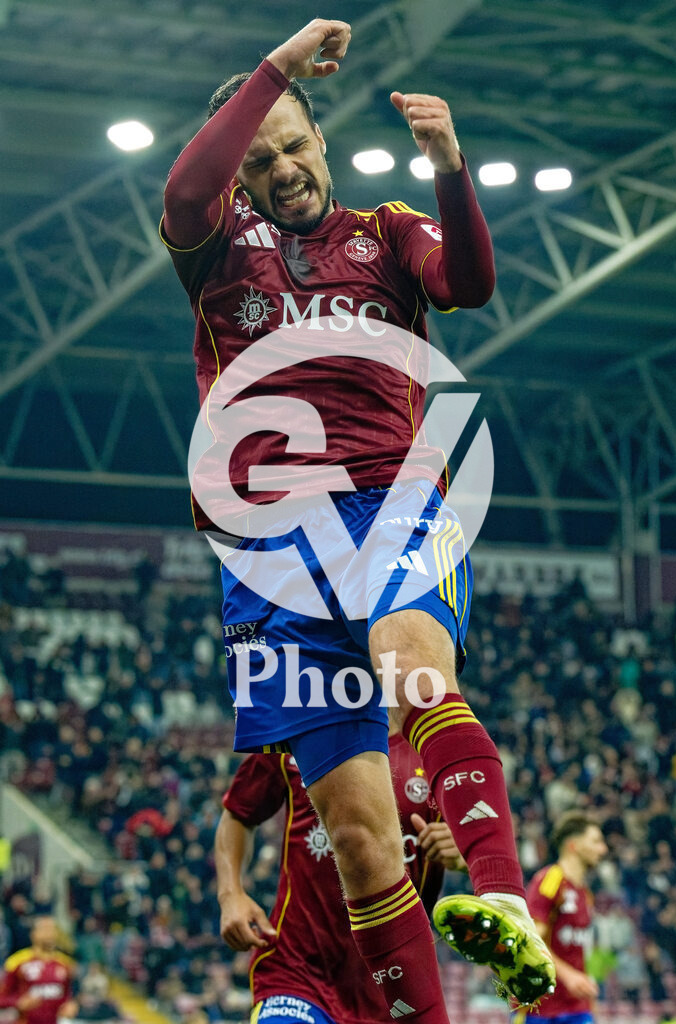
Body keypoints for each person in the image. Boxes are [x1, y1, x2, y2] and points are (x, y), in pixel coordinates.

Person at [162, 16, 554, 1018]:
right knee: (360, 840)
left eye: (294, 145)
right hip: (268, 551)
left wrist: (450, 170)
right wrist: (277, 68)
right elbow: (185, 194)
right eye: (260, 161)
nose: (283, 169)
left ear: (321, 140)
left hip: (391, 498)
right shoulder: (216, 250)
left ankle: (503, 897)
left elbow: (468, 284)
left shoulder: (384, 231)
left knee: (410, 661)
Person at [215, 731, 465, 1024]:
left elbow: (485, 839)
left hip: (393, 988)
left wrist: (462, 852)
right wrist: (230, 894)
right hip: (297, 974)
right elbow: (239, 812)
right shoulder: (296, 728)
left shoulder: (436, 747)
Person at [513, 812, 609, 1024]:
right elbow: (530, 942)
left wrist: (591, 1004)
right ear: (573, 845)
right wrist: (569, 976)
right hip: (540, 1008)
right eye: (595, 841)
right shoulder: (551, 880)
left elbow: (578, 955)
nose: (603, 849)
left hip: (577, 1007)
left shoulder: (585, 894)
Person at [0, 916, 77, 1024]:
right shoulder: (17, 962)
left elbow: (68, 996)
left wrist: (71, 1005)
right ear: (33, 934)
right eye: (44, 929)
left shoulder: (66, 963)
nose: (49, 934)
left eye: (52, 929)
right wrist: (18, 1002)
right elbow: (2, 998)